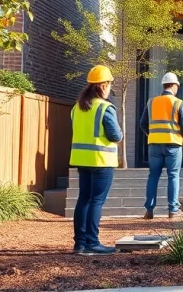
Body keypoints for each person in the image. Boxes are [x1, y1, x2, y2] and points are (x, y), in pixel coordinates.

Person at [70, 65, 122, 255]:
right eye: (109, 85)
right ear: (104, 85)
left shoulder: (77, 108)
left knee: (83, 199)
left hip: (81, 160)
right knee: (96, 201)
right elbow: (116, 135)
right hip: (101, 161)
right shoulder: (105, 107)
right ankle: (92, 242)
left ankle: (80, 244)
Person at [139, 72, 183, 219]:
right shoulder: (179, 103)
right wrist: (182, 136)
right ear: (174, 86)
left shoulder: (151, 102)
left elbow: (142, 123)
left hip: (154, 144)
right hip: (173, 144)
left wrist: (151, 134)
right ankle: (173, 210)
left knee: (153, 176)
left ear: (163, 85)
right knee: (173, 175)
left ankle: (149, 210)